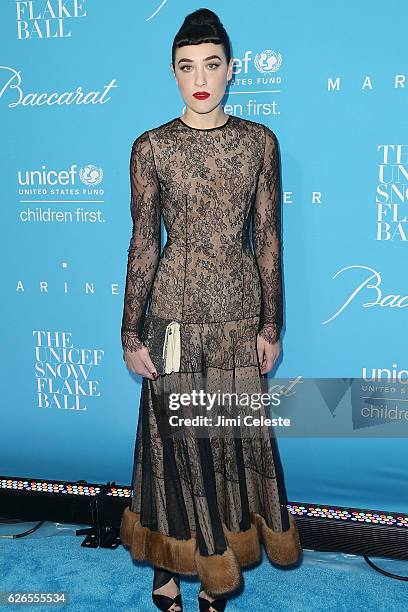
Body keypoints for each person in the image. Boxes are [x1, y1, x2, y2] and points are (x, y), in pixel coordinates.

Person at [119, 8, 302, 612]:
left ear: (231, 71)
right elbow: (145, 240)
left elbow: (269, 239)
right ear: (172, 74)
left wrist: (270, 323)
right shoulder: (150, 148)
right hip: (169, 317)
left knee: (224, 439)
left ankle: (218, 561)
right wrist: (129, 329)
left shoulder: (259, 143)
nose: (200, 77)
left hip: (236, 318)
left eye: (212, 65)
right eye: (186, 66)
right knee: (174, 442)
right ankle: (169, 567)